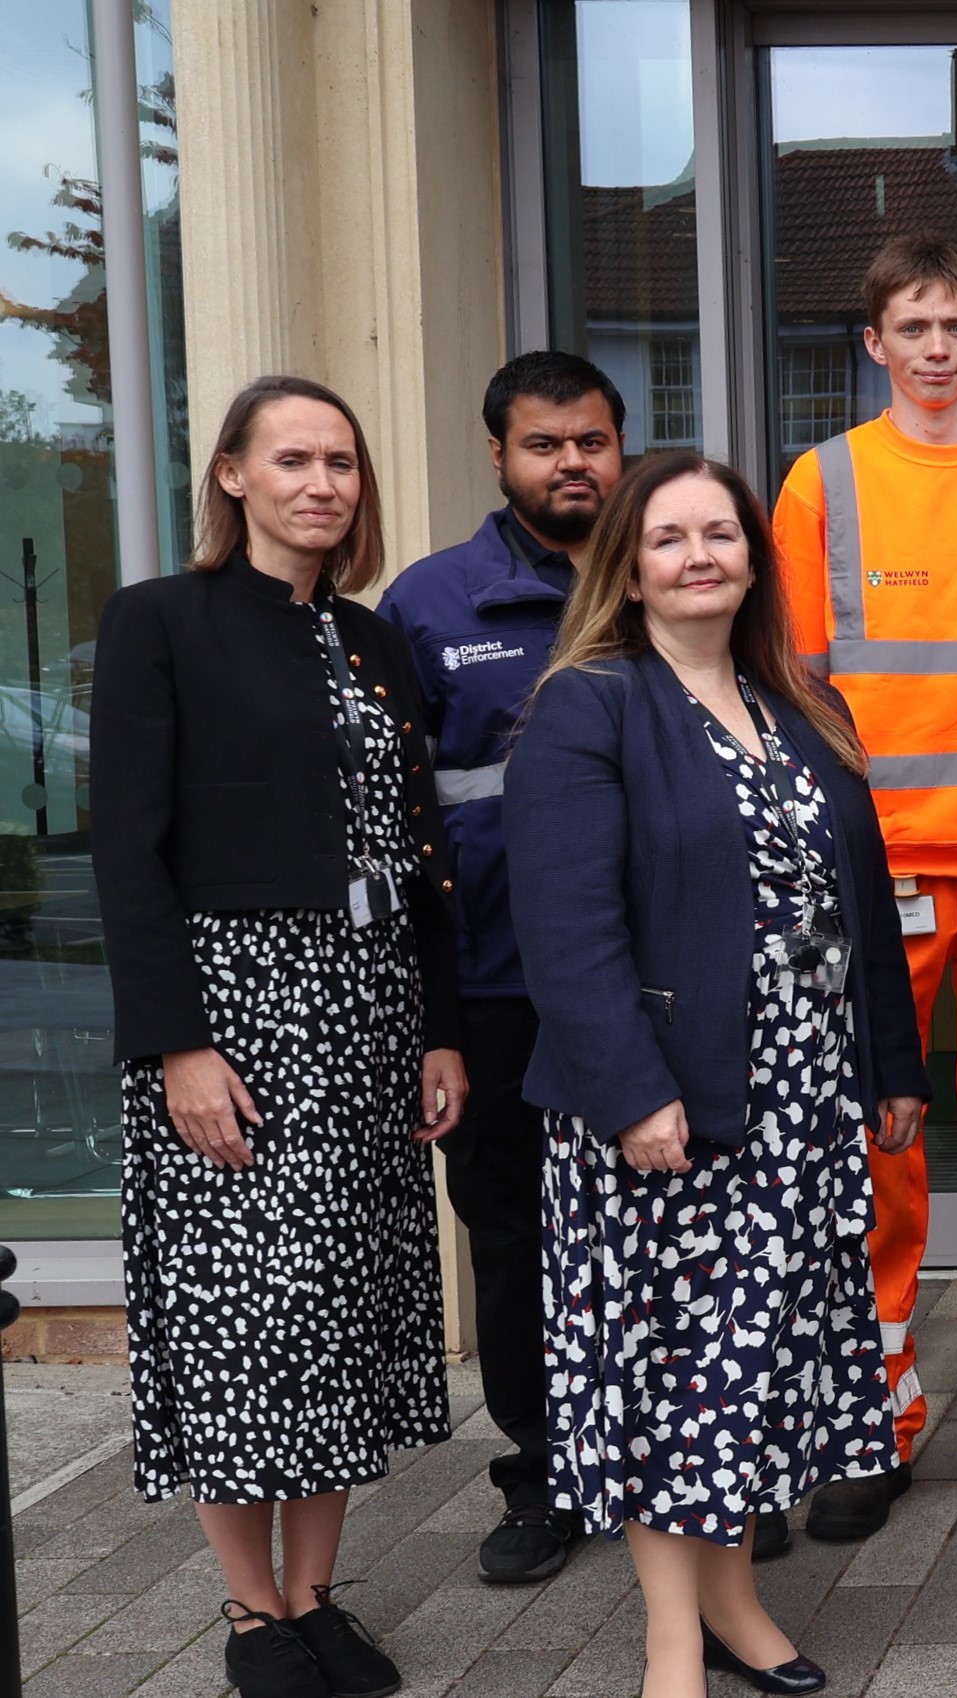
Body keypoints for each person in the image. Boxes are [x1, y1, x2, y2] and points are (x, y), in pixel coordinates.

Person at [509, 451, 930, 1698]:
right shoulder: (590, 706)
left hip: (798, 1102)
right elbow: (567, 928)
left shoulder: (805, 704)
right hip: (671, 1106)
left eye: (723, 536)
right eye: (672, 537)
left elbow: (863, 903)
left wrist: (891, 1062)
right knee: (674, 1376)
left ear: (755, 560)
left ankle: (739, 1599)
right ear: (628, 568)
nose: (701, 556)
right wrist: (633, 1093)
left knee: (754, 1368)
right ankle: (672, 1641)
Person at [93, 375, 468, 1698]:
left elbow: (420, 856)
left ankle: (316, 1593)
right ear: (235, 476)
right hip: (233, 1009)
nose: (324, 482)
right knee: (241, 1314)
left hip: (366, 1012)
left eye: (344, 463)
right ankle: (251, 1613)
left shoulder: (373, 639)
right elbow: (127, 855)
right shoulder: (161, 622)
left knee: (340, 1309)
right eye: (295, 458)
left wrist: (439, 1025)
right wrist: (176, 1046)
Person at [773, 230, 957, 1531]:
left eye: (956, 326)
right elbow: (792, 684)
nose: (937, 348)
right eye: (914, 328)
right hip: (880, 867)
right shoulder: (820, 482)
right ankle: (874, 1419)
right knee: (881, 1153)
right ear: (875, 344)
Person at [378, 350, 671, 1584]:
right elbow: (396, 823)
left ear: (622, 444)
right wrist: (430, 1017)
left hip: (656, 982)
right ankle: (544, 1471)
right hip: (497, 990)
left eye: (592, 441)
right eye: (544, 445)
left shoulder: (674, 571)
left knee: (670, 1228)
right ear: (497, 457)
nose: (572, 465)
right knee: (513, 1240)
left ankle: (676, 1464)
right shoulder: (430, 607)